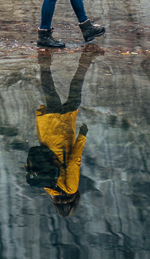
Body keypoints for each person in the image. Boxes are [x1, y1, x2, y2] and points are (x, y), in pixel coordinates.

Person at [26, 49, 97, 216]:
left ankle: (84, 61)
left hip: (62, 133)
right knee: (50, 94)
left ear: (74, 201)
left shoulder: (71, 188)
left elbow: (74, 162)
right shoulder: (47, 186)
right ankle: (44, 62)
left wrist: (83, 136)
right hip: (48, 133)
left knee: (74, 96)